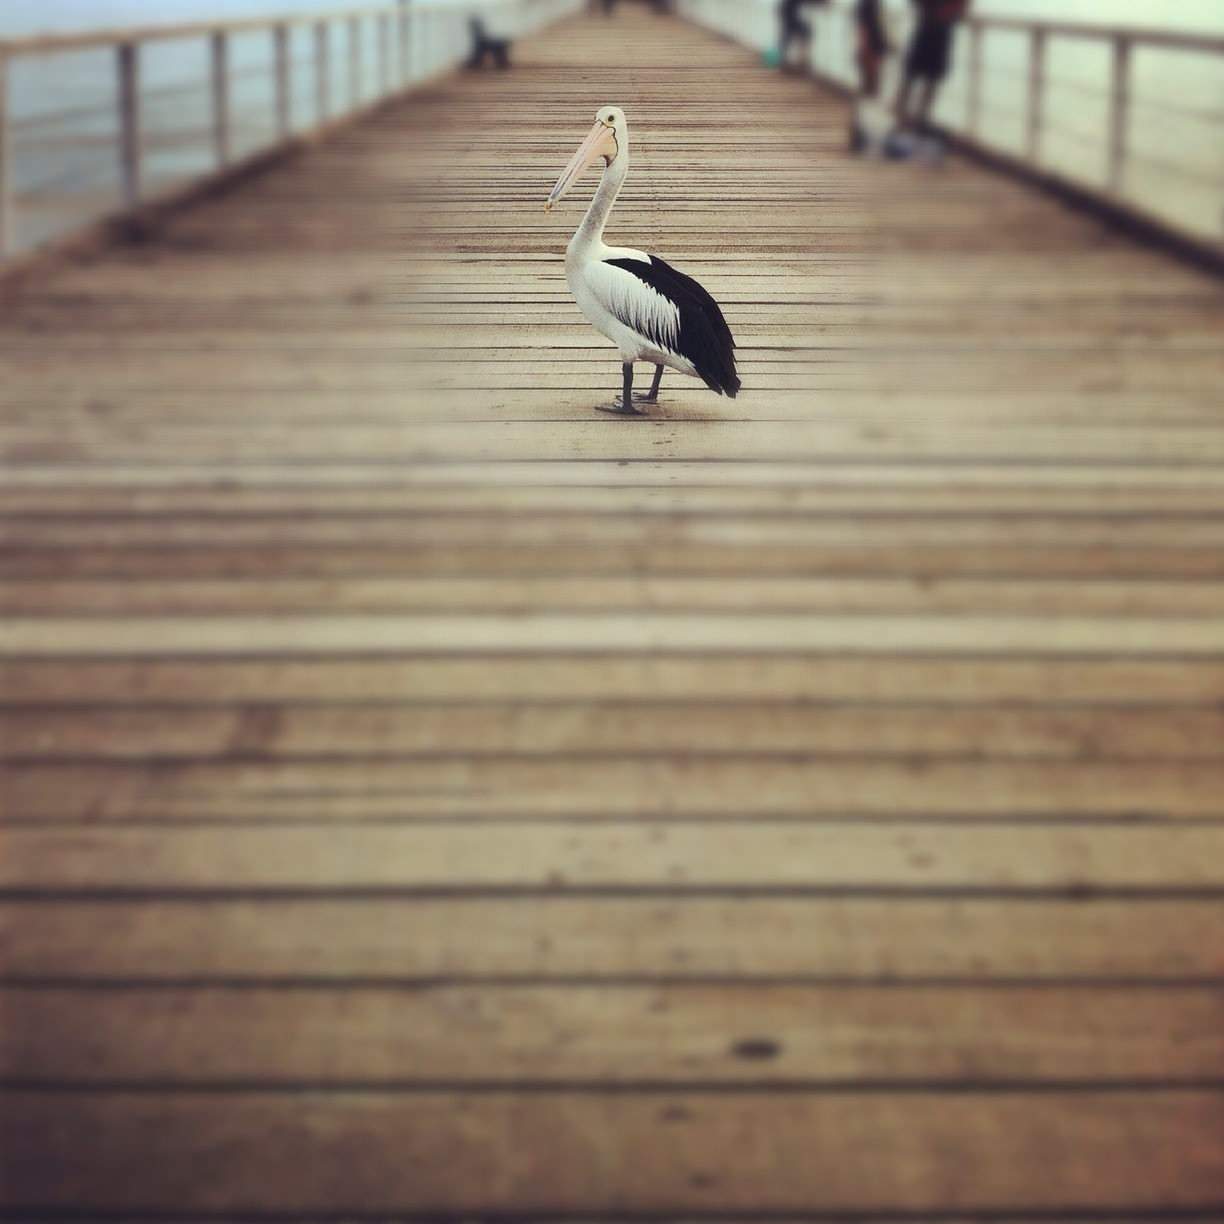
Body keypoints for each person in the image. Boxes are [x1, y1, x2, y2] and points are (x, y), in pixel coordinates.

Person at [896, 0, 969, 131]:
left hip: (938, 32)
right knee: (912, 78)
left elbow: (961, 10)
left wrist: (945, 13)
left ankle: (917, 120)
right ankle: (905, 120)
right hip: (930, 30)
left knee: (925, 79)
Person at [778, 0, 827, 74]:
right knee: (804, 32)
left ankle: (789, 61)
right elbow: (811, 2)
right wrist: (823, 3)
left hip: (788, 12)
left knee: (788, 37)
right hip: (790, 14)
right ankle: (801, 61)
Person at [855, 0, 891, 99]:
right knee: (871, 74)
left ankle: (869, 97)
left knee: (871, 74)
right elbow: (864, 26)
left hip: (875, 42)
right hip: (874, 42)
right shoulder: (869, 4)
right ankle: (869, 97)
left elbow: (864, 26)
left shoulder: (870, 4)